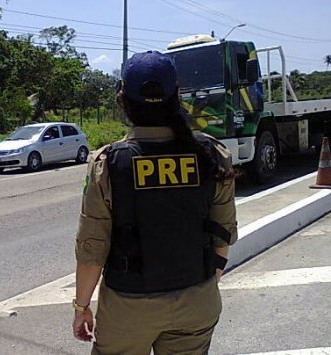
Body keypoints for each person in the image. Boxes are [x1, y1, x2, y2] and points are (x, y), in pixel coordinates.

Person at [72, 51, 237, 354]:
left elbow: (92, 250)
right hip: (197, 301)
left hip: (128, 308)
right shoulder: (211, 153)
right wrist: (201, 285)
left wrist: (81, 306)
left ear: (123, 99)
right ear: (177, 95)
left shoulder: (107, 163)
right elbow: (223, 233)